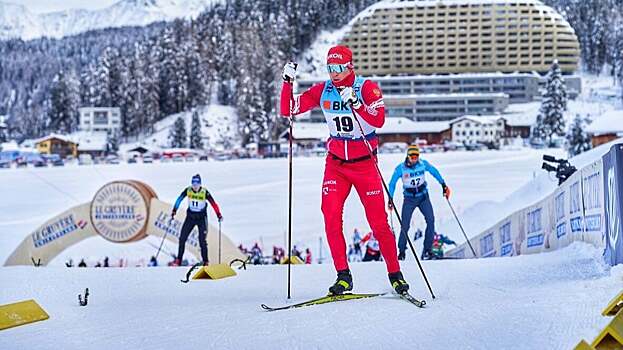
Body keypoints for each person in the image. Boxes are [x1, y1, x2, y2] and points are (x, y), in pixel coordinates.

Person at [280, 45, 409, 295]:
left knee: (379, 223)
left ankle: (395, 274)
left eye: (339, 67)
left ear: (350, 66)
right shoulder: (324, 90)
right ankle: (343, 276)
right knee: (330, 217)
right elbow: (289, 110)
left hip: (365, 166)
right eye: (330, 68)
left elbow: (378, 119)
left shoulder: (366, 87)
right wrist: (287, 83)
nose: (334, 73)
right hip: (336, 165)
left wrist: (357, 105)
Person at [388, 144, 451, 260]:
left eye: (416, 156)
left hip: (423, 198)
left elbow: (434, 172)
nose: (414, 158)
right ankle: (401, 251)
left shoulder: (423, 164)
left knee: (431, 221)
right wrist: (390, 198)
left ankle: (427, 250)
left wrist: (443, 184)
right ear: (408, 156)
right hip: (409, 199)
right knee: (405, 225)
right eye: (412, 156)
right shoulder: (400, 168)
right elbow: (392, 184)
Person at [171, 174, 223, 266]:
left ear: (200, 184)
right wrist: (174, 210)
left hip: (201, 218)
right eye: (193, 183)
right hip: (190, 217)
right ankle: (179, 260)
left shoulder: (204, 192)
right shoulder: (188, 190)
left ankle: (206, 261)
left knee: (202, 240)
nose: (195, 185)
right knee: (182, 238)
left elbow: (213, 203)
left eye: (197, 183)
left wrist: (218, 214)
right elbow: (179, 199)